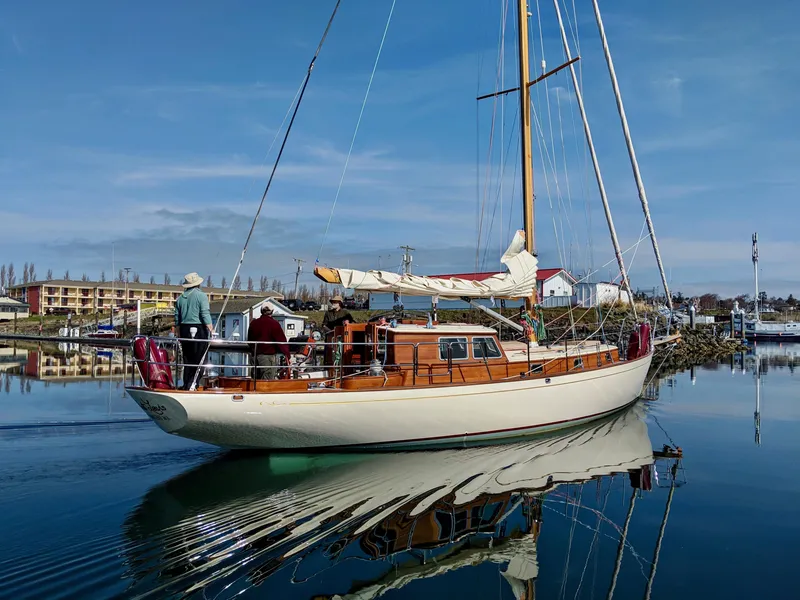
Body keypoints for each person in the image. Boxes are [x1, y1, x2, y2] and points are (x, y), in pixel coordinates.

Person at [173, 272, 213, 390]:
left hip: (184, 329)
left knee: (187, 358)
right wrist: (210, 327)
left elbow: (177, 317)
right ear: (198, 284)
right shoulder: (201, 296)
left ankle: (186, 383)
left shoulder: (180, 298)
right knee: (200, 358)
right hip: (199, 328)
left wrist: (178, 330)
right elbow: (204, 313)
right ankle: (193, 383)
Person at [247, 304, 290, 380]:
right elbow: (281, 341)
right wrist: (287, 355)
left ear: (261, 311)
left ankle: (255, 391)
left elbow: (249, 340)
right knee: (267, 381)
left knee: (255, 381)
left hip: (254, 356)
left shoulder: (253, 323)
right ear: (272, 312)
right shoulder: (274, 324)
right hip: (267, 357)